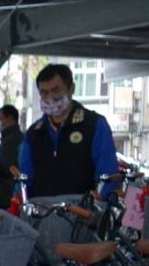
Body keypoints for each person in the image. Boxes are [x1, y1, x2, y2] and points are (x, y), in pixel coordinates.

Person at [17, 63, 118, 199]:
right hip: (42, 214)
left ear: (71, 89)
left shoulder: (94, 125)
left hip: (84, 214)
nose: (50, 97)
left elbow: (108, 176)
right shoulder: (34, 133)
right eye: (44, 92)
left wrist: (100, 203)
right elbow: (24, 181)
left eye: (56, 90)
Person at [0, 104, 23, 208]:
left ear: (10, 119)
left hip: (6, 192)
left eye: (0, 119)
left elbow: (6, 167)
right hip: (9, 190)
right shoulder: (16, 137)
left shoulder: (11, 140)